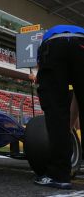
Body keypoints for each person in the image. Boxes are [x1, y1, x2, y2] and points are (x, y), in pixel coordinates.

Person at [34, 25, 84, 189]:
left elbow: (40, 70)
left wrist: (65, 126)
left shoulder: (47, 40)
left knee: (56, 110)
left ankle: (59, 175)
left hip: (54, 44)